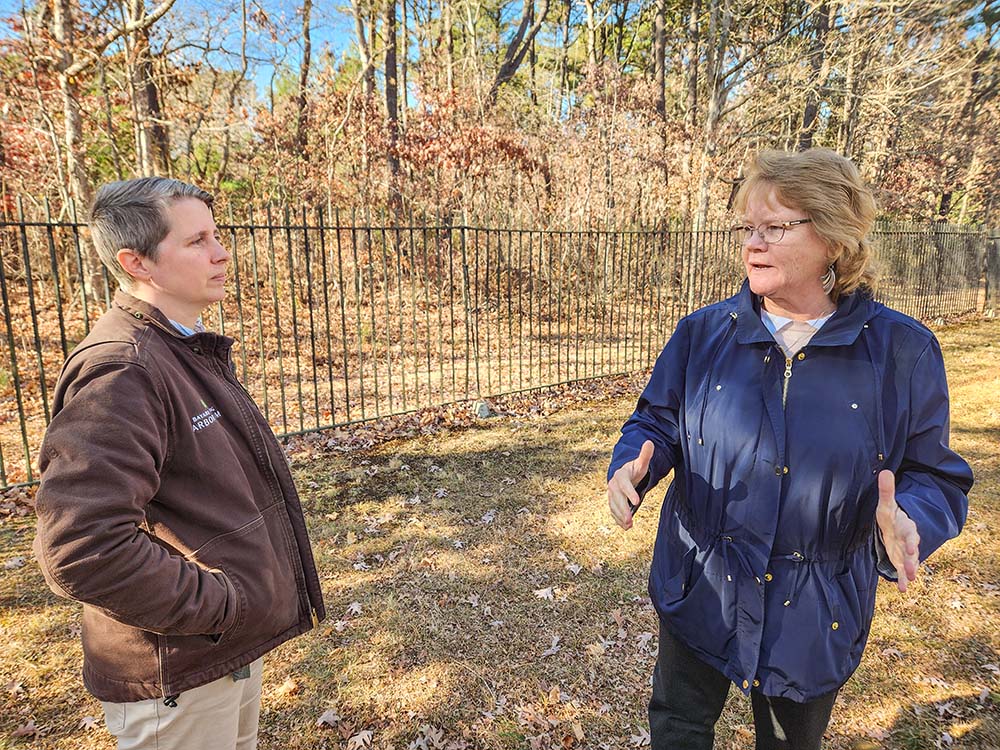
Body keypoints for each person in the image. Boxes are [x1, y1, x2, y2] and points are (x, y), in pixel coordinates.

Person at [606, 149, 973, 750]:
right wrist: (633, 465)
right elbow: (657, 420)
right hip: (700, 581)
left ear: (833, 238)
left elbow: (935, 475)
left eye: (775, 228)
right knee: (679, 724)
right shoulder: (703, 334)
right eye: (746, 229)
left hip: (812, 605)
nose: (753, 244)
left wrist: (912, 519)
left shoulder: (902, 352)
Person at [33, 177, 326, 750]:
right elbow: (82, 548)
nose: (221, 254)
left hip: (220, 651)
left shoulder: (180, 348)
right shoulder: (125, 369)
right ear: (136, 262)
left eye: (217, 236)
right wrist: (222, 604)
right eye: (196, 242)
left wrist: (232, 613)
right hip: (180, 664)